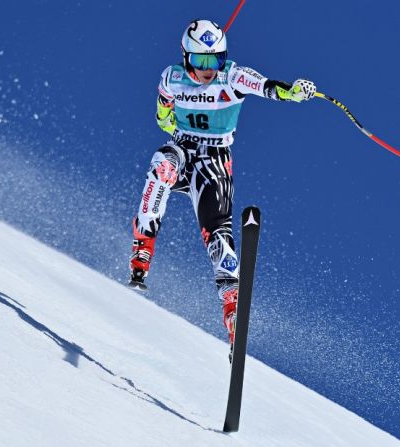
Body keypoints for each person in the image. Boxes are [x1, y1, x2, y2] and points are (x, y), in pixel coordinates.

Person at [127, 18, 316, 356]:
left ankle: (232, 311)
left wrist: (294, 92)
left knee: (218, 239)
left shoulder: (233, 76)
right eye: (200, 62)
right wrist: (170, 120)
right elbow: (162, 113)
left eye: (214, 60)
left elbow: (269, 87)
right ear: (186, 58)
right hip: (183, 149)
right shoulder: (172, 78)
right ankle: (143, 249)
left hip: (214, 160)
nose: (208, 70)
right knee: (161, 167)